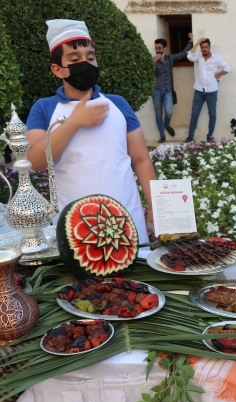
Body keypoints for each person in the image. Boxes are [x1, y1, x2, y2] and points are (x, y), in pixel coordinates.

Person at [26, 19, 155, 242]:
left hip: (126, 218)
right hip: (74, 226)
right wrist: (74, 122)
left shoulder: (118, 104)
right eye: (75, 60)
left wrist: (156, 206)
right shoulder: (44, 108)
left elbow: (141, 158)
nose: (85, 64)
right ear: (58, 69)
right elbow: (35, 162)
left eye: (91, 57)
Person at [184, 38, 231, 143]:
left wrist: (218, 74)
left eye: (206, 47)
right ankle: (190, 136)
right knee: (194, 114)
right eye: (202, 47)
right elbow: (189, 56)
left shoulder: (216, 58)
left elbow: (228, 68)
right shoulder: (198, 57)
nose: (204, 49)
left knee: (212, 114)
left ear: (210, 47)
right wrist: (196, 43)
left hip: (211, 90)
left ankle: (210, 136)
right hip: (199, 90)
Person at [152, 34, 193, 143]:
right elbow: (145, 72)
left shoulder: (170, 58)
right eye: (156, 48)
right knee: (158, 113)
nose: (158, 50)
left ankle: (167, 124)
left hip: (168, 91)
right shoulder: (152, 60)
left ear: (164, 48)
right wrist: (153, 61)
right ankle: (162, 135)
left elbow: (183, 54)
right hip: (156, 90)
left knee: (169, 112)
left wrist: (190, 42)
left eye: (159, 48)